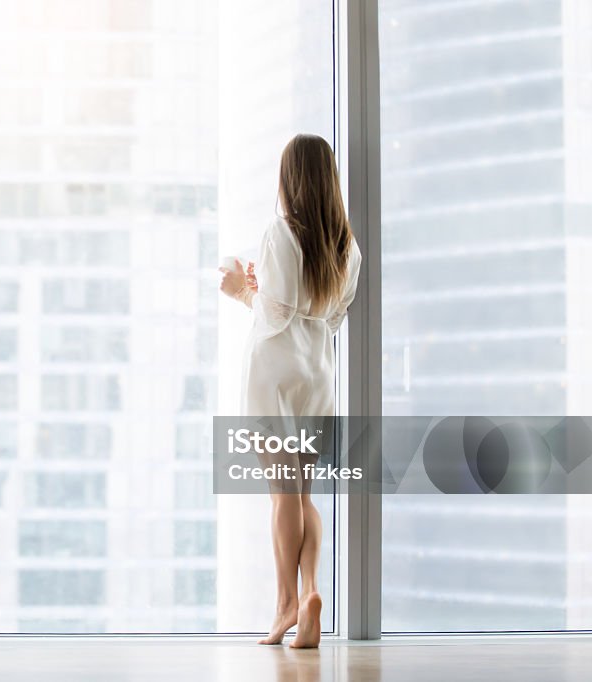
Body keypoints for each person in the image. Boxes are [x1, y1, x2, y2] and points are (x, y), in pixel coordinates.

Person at [219, 134, 361, 648]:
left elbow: (275, 315)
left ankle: (284, 607)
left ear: (290, 179)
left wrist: (242, 291)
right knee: (302, 494)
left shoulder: (281, 232)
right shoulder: (348, 246)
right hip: (317, 374)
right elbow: (333, 316)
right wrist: (267, 292)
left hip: (275, 375)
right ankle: (309, 593)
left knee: (281, 495)